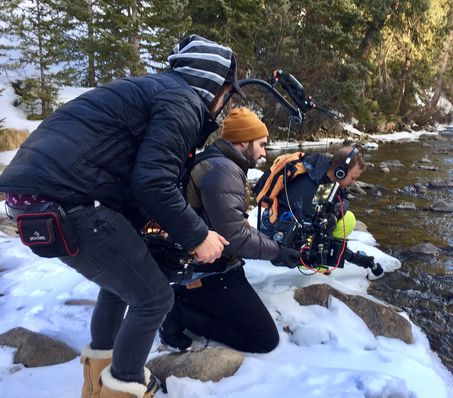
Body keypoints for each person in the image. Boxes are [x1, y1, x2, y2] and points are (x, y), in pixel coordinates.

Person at [0, 34, 244, 398]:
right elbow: (153, 182)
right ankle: (124, 386)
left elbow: (119, 167)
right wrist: (198, 236)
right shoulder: (182, 100)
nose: (224, 105)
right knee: (154, 299)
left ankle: (97, 384)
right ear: (213, 85)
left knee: (120, 286)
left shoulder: (154, 89)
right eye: (227, 94)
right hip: (68, 204)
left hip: (31, 201)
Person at [159, 107, 299, 353]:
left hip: (210, 263)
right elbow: (233, 238)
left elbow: (232, 225)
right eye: (262, 144)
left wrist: (271, 245)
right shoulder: (223, 171)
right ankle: (179, 312)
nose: (264, 152)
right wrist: (277, 252)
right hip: (210, 271)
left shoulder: (219, 164)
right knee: (265, 340)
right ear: (243, 140)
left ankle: (185, 299)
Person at [255, 146, 384, 278]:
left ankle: (321, 257)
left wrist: (336, 212)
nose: (354, 182)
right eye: (352, 178)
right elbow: (311, 228)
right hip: (280, 230)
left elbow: (343, 198)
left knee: (348, 219)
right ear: (341, 172)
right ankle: (309, 261)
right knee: (320, 229)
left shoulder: (328, 175)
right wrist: (351, 256)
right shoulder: (308, 184)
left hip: (303, 222)